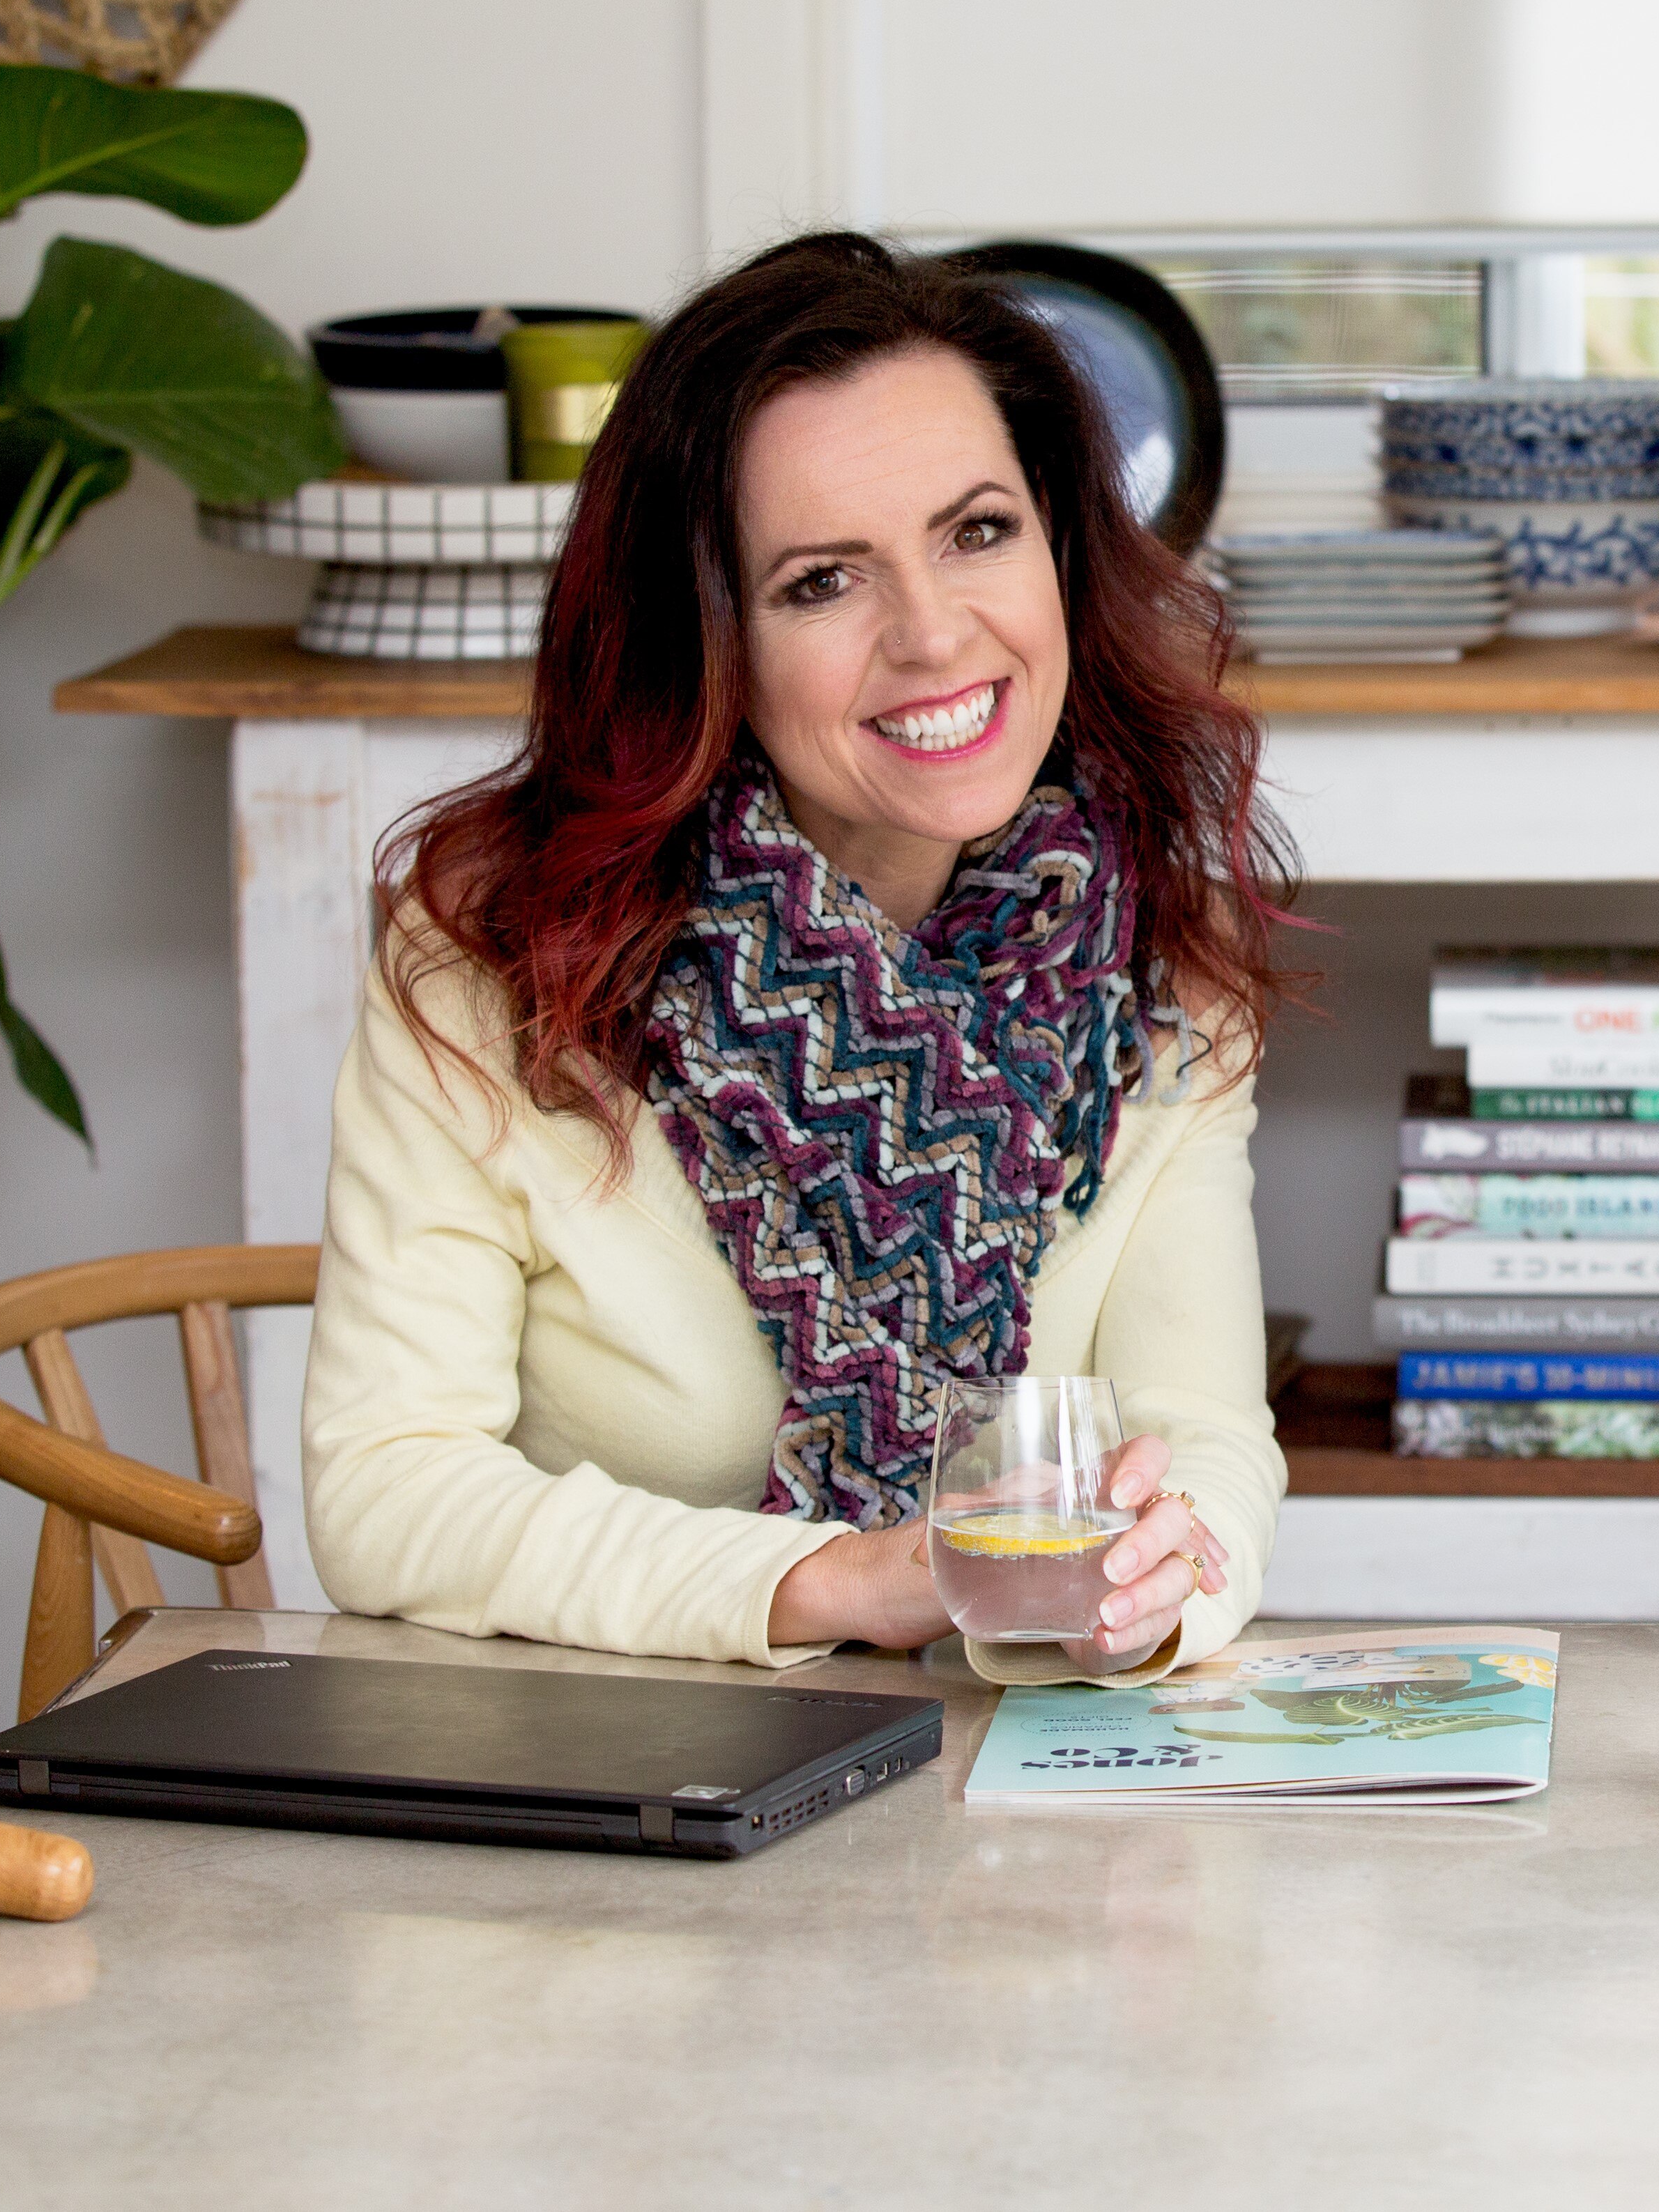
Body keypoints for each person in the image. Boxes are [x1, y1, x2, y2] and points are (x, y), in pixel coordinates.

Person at [303, 233, 1296, 1683]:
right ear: (704, 638)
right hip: (607, 1784)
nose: (933, 634)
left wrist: (1160, 1582)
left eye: (977, 532)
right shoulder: (495, 961)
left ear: (1060, 550)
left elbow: (1203, 1436)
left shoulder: (1163, 971)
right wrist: (841, 1581)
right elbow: (387, 1492)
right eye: (822, 580)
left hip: (1003, 1776)